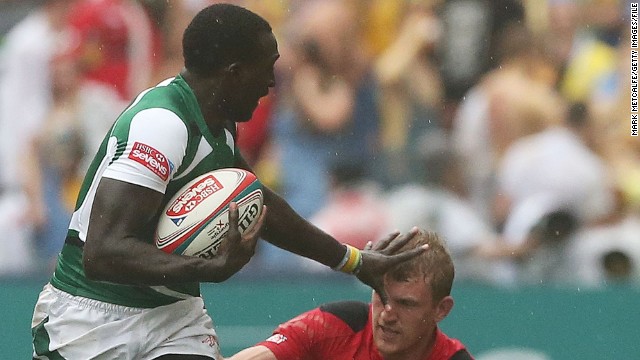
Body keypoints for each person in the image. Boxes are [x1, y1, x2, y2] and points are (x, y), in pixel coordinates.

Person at [30, 4, 426, 360]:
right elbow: (102, 253)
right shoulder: (161, 125)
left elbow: (261, 203)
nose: (272, 83)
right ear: (234, 74)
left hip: (172, 316)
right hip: (93, 315)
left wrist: (352, 260)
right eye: (267, 68)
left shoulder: (219, 120)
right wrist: (208, 267)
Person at [228, 228, 474, 360]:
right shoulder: (336, 324)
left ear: (441, 310)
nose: (387, 314)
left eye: (406, 304)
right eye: (380, 295)